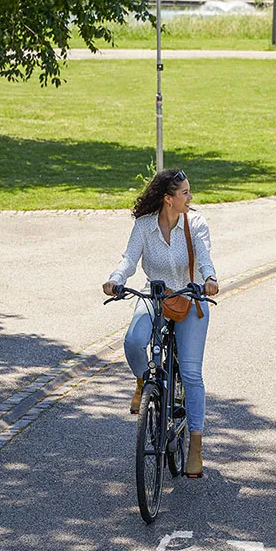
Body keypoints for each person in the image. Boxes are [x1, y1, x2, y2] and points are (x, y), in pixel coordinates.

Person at [104, 169, 219, 478]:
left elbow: (205, 257)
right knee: (132, 342)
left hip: (190, 296)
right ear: (169, 199)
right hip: (155, 296)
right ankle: (144, 380)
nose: (190, 198)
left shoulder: (195, 224)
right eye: (185, 193)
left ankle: (195, 444)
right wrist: (115, 280)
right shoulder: (144, 226)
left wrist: (209, 279)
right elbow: (129, 260)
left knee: (192, 373)